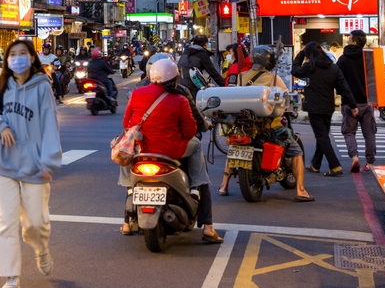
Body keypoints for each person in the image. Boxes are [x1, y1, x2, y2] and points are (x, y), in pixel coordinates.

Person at [0, 38, 62, 288]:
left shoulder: (42, 87)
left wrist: (49, 161)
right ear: (7, 60)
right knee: (5, 222)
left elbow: (50, 124)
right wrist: (0, 125)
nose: (17, 58)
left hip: (35, 166)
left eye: (23, 53)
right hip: (3, 165)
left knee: (35, 223)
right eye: (13, 54)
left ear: (32, 58)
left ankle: (41, 248)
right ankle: (11, 276)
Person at [120, 58, 222, 244]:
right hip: (172, 152)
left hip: (142, 151)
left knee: (128, 152)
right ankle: (207, 225)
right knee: (197, 146)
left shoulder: (136, 94)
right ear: (175, 79)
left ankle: (127, 222)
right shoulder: (180, 99)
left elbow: (127, 124)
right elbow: (190, 131)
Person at [217, 46, 313, 201]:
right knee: (296, 151)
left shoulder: (241, 77)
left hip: (245, 127)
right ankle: (301, 190)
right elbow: (286, 98)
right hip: (270, 128)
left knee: (234, 149)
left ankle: (223, 185)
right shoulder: (273, 78)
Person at [294, 41, 359, 177]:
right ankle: (316, 165)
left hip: (314, 107)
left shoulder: (309, 67)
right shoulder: (333, 68)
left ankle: (335, 165)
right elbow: (344, 88)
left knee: (321, 136)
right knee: (322, 136)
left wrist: (301, 53)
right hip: (328, 107)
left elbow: (294, 70)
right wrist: (353, 105)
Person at [336, 30, 376, 173]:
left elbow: (337, 79)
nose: (347, 39)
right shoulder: (368, 58)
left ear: (354, 41)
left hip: (349, 102)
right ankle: (370, 162)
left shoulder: (342, 59)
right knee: (369, 133)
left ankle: (354, 157)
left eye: (349, 37)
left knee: (349, 132)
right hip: (367, 101)